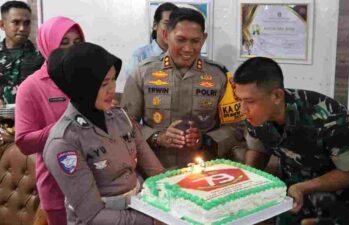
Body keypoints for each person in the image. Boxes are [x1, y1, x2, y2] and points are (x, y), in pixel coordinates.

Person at [233, 57, 349, 225]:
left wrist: (303, 187)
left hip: (340, 202)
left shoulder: (326, 115)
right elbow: (258, 149)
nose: (243, 109)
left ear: (276, 95)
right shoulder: (256, 114)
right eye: (239, 99)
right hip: (291, 197)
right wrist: (246, 180)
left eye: (249, 101)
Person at [43, 42, 164, 224]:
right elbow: (93, 216)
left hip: (139, 209)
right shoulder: (64, 141)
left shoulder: (120, 117)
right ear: (83, 86)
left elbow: (157, 173)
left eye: (114, 79)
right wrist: (154, 221)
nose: (112, 89)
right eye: (103, 83)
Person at [121, 7, 244, 169]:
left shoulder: (220, 76)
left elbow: (236, 127)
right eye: (181, 40)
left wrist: (206, 140)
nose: (188, 48)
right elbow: (125, 124)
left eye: (195, 41)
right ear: (166, 35)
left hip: (203, 169)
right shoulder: (143, 72)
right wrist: (157, 137)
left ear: (204, 38)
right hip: (154, 170)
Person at [15, 16, 85, 225]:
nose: (71, 49)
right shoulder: (32, 86)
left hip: (96, 183)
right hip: (57, 188)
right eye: (63, 43)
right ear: (48, 44)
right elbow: (24, 142)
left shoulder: (89, 77)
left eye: (77, 43)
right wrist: (66, 125)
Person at [117, 2, 178, 92]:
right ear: (155, 25)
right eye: (166, 23)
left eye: (175, 25)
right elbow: (131, 91)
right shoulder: (140, 56)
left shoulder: (181, 56)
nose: (171, 28)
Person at [0, 0, 43, 105]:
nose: (22, 28)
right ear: (2, 25)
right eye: (16, 22)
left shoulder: (42, 57)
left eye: (27, 23)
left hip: (32, 118)